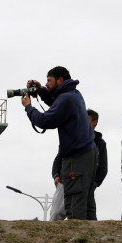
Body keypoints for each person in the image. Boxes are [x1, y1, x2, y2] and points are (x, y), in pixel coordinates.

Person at [22, 66, 95, 220]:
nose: (46, 83)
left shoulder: (66, 98)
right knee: (85, 205)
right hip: (86, 154)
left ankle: (77, 241)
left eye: (49, 80)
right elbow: (56, 104)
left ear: (60, 80)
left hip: (77, 157)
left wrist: (28, 107)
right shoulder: (73, 94)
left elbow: (44, 120)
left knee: (74, 205)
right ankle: (87, 242)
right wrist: (41, 90)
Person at [50, 108, 108, 220]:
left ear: (94, 121)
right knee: (56, 214)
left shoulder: (100, 143)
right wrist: (56, 175)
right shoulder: (71, 137)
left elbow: (103, 168)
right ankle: (52, 237)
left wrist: (94, 184)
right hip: (66, 181)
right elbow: (59, 158)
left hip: (87, 185)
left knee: (84, 216)